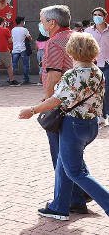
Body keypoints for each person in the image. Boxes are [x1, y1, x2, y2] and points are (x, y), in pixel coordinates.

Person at [19, 32, 109, 221]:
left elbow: (56, 100)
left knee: (76, 172)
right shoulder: (97, 72)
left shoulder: (73, 75)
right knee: (63, 163)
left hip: (73, 125)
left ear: (72, 51)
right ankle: (59, 206)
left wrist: (32, 110)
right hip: (91, 125)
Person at [38, 4, 89, 212]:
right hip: (80, 104)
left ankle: (67, 200)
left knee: (60, 154)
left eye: (42, 20)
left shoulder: (54, 43)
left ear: (52, 23)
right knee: (71, 153)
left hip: (61, 104)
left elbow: (53, 75)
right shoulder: (77, 38)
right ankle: (80, 194)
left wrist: (46, 104)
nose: (41, 24)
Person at [84, 7, 109, 127]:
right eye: (95, 14)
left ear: (105, 16)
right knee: (95, 91)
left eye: (99, 14)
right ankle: (100, 116)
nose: (97, 16)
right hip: (93, 65)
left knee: (107, 90)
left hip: (107, 64)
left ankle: (105, 114)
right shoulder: (88, 32)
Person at [0, 17, 18, 86]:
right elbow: (10, 41)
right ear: (3, 22)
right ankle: (11, 80)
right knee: (9, 65)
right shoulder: (6, 30)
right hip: (4, 50)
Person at [11, 16, 33, 85]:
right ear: (21, 22)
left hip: (15, 49)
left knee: (13, 65)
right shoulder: (24, 30)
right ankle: (26, 79)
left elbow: (12, 39)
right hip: (23, 49)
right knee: (25, 65)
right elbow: (30, 38)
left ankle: (11, 79)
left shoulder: (13, 30)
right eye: (23, 21)